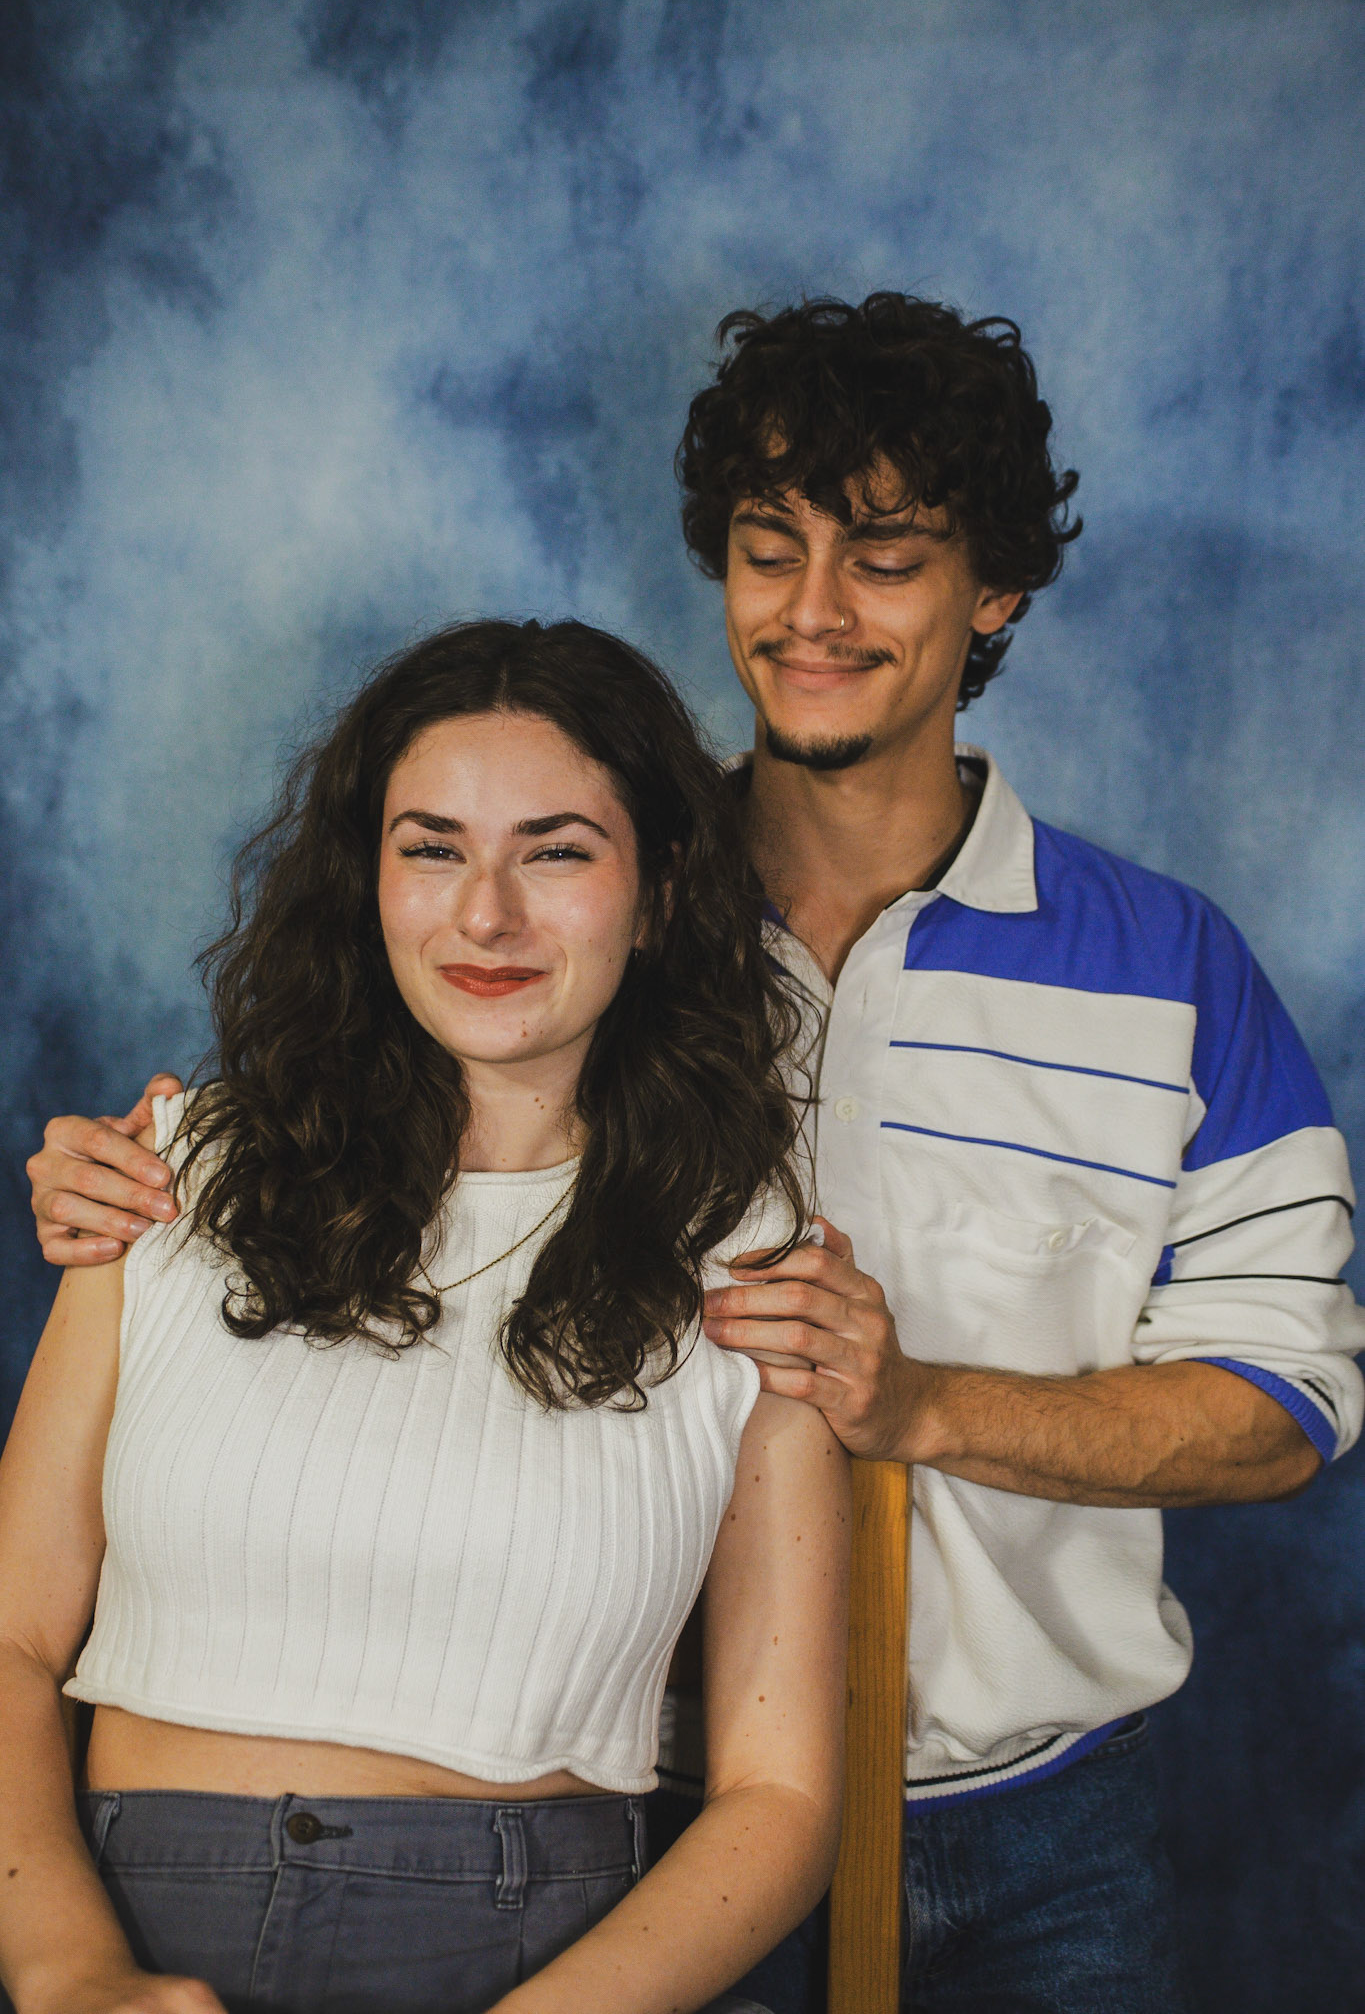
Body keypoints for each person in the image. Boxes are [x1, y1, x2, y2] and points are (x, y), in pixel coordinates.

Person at [26, 295, 1365, 2012]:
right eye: (767, 550)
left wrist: (925, 1404)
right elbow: (363, 1149)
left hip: (1041, 1805)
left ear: (997, 591)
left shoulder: (1169, 970)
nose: (813, 611)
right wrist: (154, 1180)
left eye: (887, 558)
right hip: (631, 1804)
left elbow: (1284, 1402)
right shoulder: (586, 904)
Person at [1, 619, 849, 2014]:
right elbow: (13, 1640)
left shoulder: (746, 1253)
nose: (486, 915)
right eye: (433, 848)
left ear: (657, 894)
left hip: (542, 1957)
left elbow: (782, 1797)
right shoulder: (169, 1174)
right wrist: (69, 1971)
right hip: (124, 1929)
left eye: (556, 853)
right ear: (367, 881)